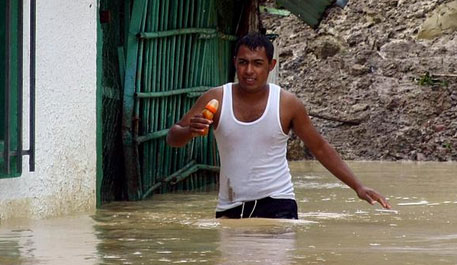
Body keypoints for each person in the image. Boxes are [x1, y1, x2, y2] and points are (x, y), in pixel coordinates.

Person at [166, 33, 391, 219]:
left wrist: (358, 187)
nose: (249, 71)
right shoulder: (217, 97)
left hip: (278, 202)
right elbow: (173, 138)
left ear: (271, 66)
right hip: (230, 206)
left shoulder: (287, 103)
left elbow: (320, 147)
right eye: (243, 63)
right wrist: (190, 131)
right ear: (235, 62)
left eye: (257, 64)